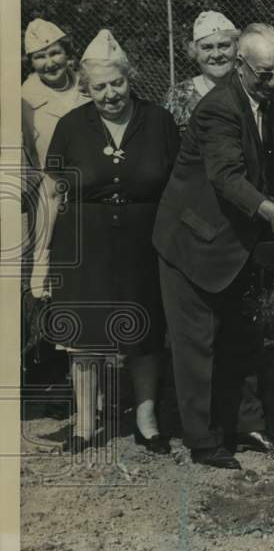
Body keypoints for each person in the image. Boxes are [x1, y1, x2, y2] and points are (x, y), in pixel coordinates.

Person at [154, 22, 274, 469]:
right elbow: (225, 177)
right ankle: (203, 441)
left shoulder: (272, 102)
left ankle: (248, 424)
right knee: (197, 346)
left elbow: (264, 164)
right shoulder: (218, 109)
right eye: (264, 74)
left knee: (243, 338)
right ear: (241, 65)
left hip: (238, 242)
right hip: (194, 241)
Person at [30, 30, 179, 454]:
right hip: (84, 241)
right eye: (100, 87)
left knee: (146, 331)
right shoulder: (72, 126)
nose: (111, 94)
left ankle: (147, 420)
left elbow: (175, 186)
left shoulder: (159, 121)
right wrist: (40, 259)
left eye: (118, 83)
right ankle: (84, 421)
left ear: (130, 79)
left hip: (145, 241)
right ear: (86, 88)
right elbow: (50, 191)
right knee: (84, 337)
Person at [21, 18, 88, 170]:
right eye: (39, 57)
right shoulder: (23, 101)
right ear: (31, 62)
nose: (49, 64)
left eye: (55, 53)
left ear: (66, 54)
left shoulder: (91, 88)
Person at [162, 11, 241, 131]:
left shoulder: (250, 89)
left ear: (236, 47)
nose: (216, 54)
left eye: (224, 45)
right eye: (207, 47)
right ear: (195, 52)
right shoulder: (178, 96)